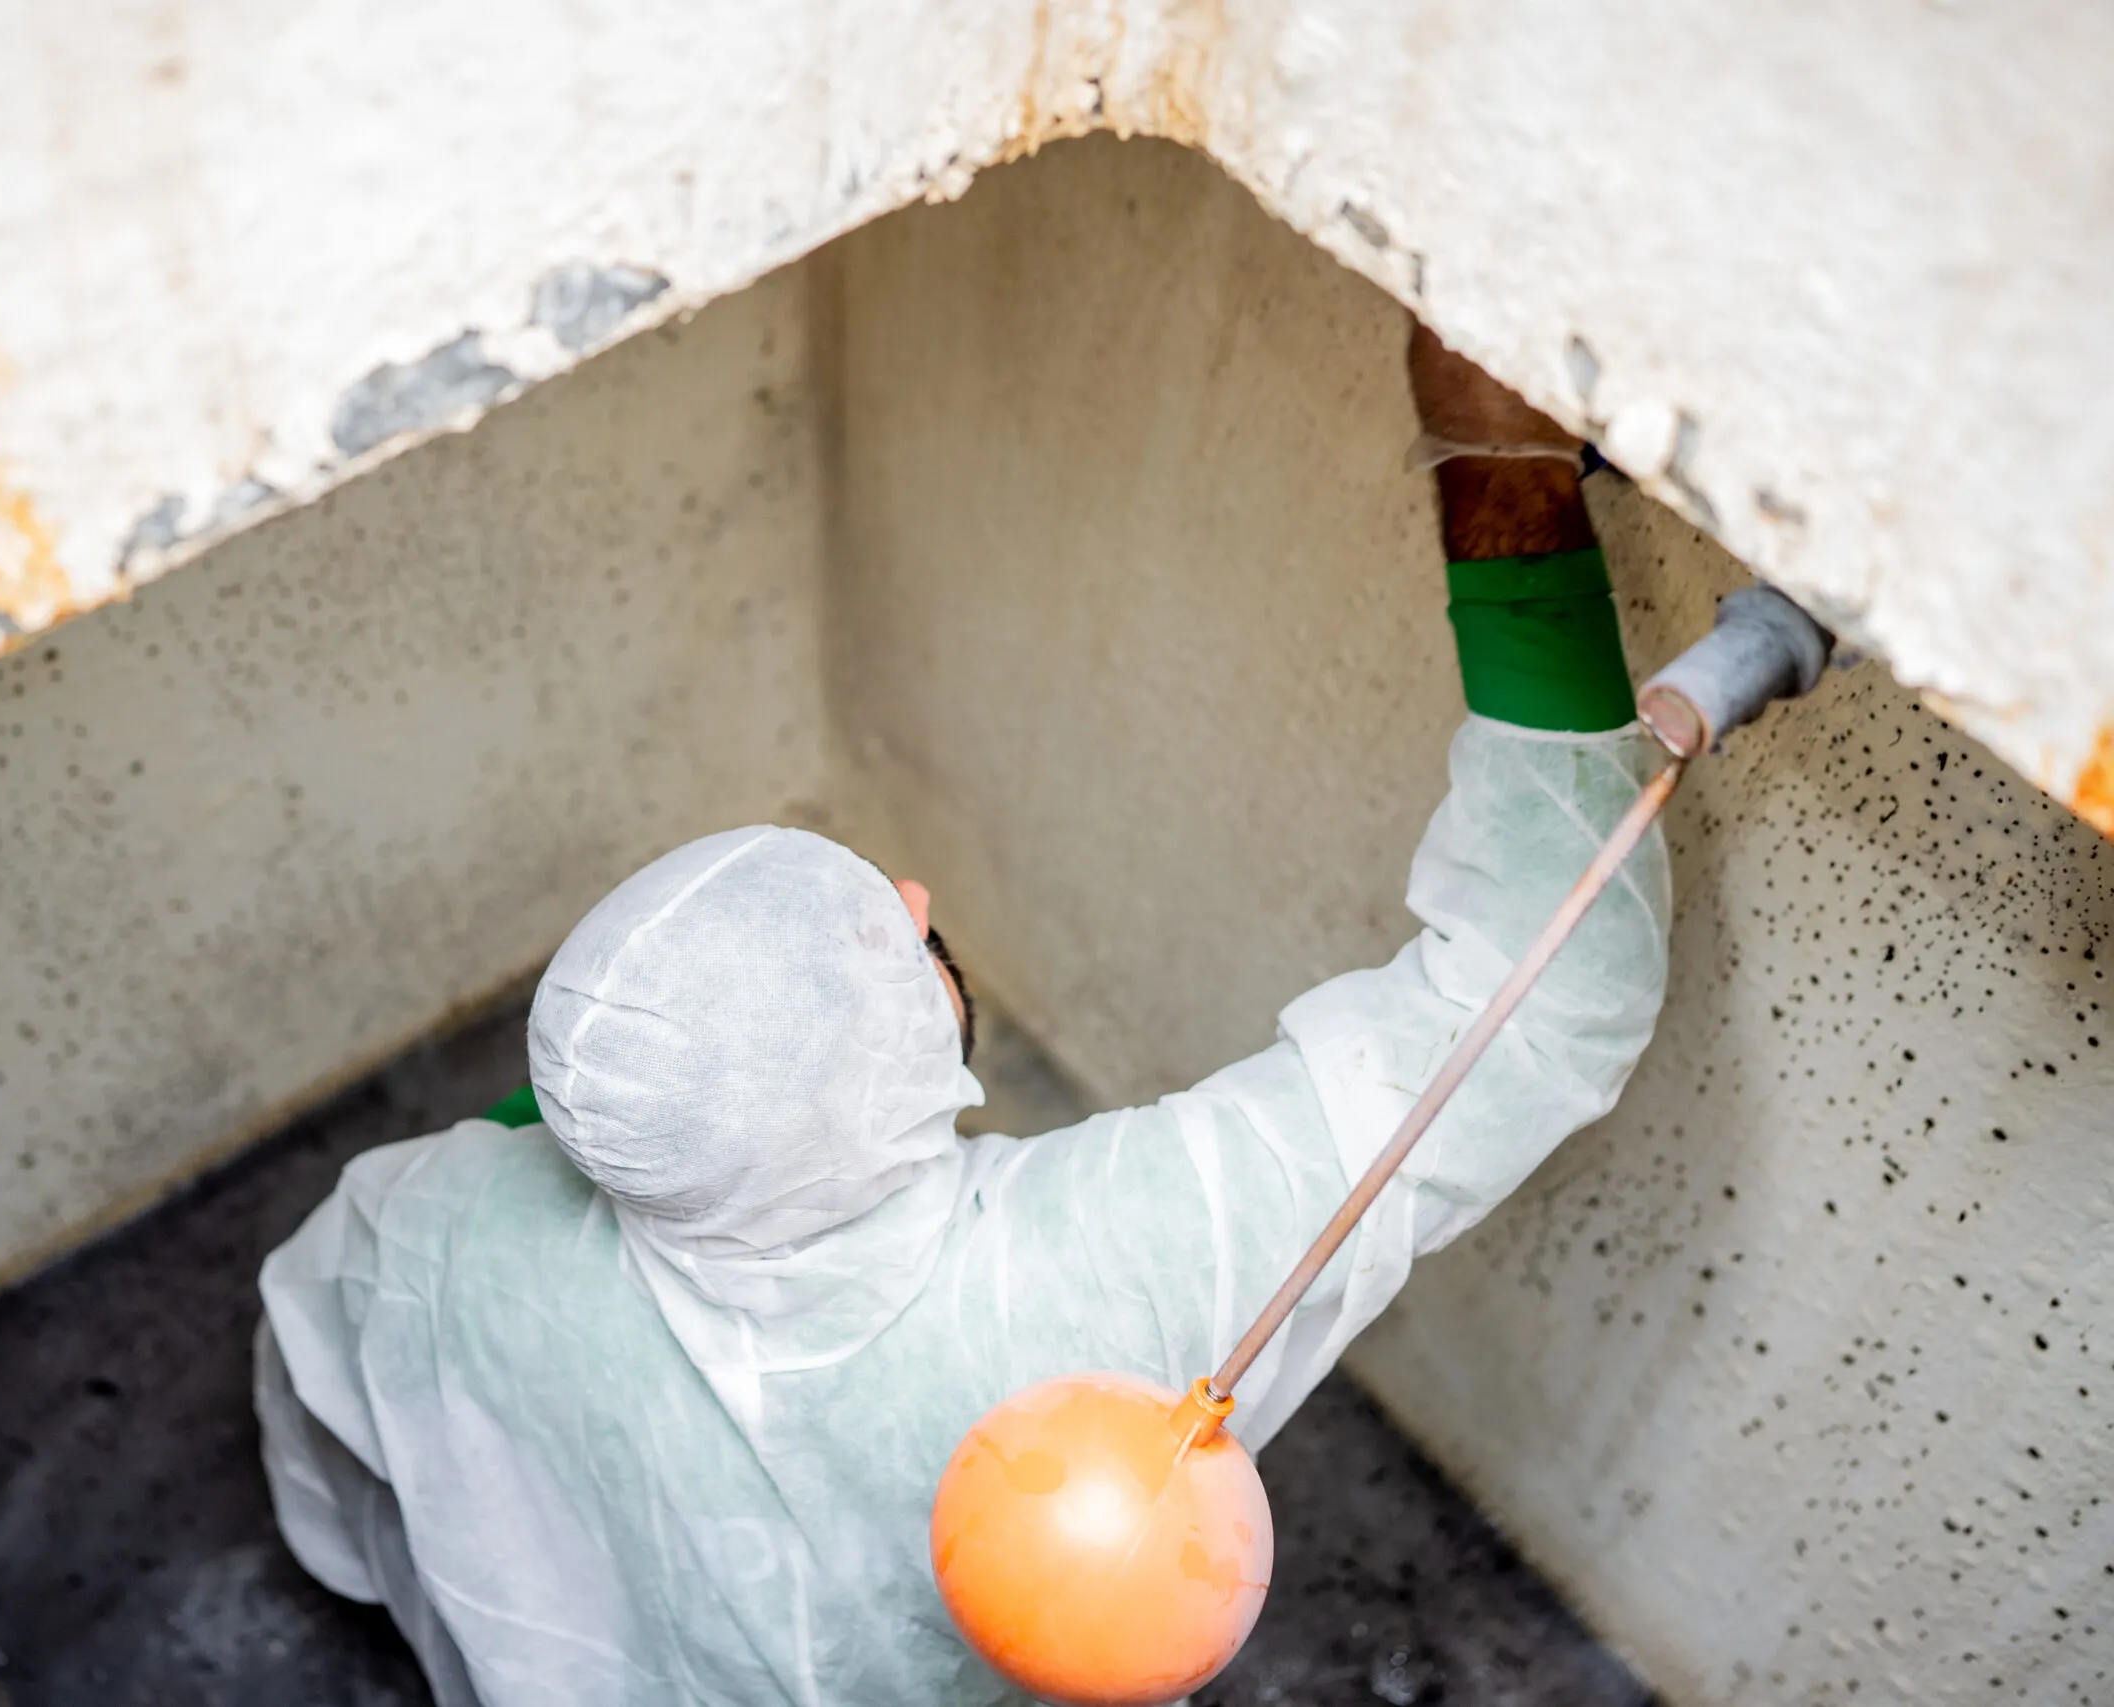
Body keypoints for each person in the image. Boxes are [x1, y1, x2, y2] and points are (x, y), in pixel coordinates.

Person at [253, 328, 1672, 1706]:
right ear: (874, 1079)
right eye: (887, 930)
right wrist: (1505, 465)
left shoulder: (427, 1227)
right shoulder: (1098, 1269)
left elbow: (324, 1436)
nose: (920, 890)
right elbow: (1545, 1000)